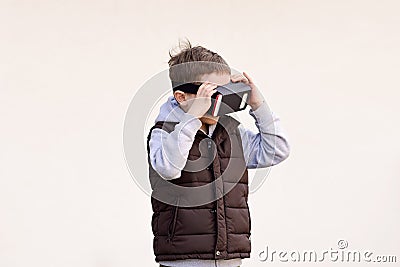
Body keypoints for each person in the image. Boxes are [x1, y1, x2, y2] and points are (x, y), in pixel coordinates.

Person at [146, 39, 290, 267]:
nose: (222, 102)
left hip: (230, 257)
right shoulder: (164, 133)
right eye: (212, 94)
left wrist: (257, 104)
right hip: (184, 259)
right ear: (182, 97)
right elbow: (169, 168)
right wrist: (191, 118)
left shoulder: (231, 132)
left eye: (227, 92)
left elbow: (277, 150)